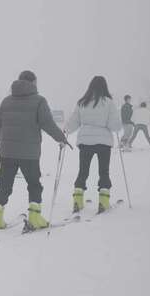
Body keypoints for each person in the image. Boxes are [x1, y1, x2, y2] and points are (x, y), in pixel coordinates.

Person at [0, 70, 68, 233]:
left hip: (7, 151)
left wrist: (1, 137)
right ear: (34, 83)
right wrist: (61, 138)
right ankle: (34, 218)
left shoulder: (6, 101)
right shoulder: (39, 101)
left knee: (4, 185)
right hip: (29, 153)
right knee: (34, 184)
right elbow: (47, 123)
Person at [64, 76, 122, 214]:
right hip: (103, 142)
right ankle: (103, 201)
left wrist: (66, 130)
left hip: (85, 141)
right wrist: (116, 126)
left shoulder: (82, 102)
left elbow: (74, 121)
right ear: (104, 87)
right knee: (104, 171)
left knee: (83, 171)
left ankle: (78, 199)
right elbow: (114, 125)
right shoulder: (108, 102)